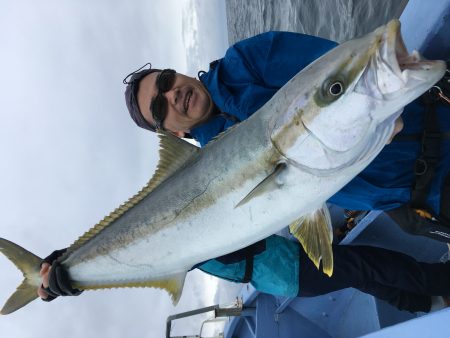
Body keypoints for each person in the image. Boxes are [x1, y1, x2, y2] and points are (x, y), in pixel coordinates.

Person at [38, 31, 450, 313]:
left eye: (165, 80)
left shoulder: (248, 60)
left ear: (177, 72)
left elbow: (340, 75)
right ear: (174, 132)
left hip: (437, 136)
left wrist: (382, 114)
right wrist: (68, 269)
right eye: (161, 108)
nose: (172, 94)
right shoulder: (192, 178)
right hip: (411, 202)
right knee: (368, 270)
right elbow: (218, 243)